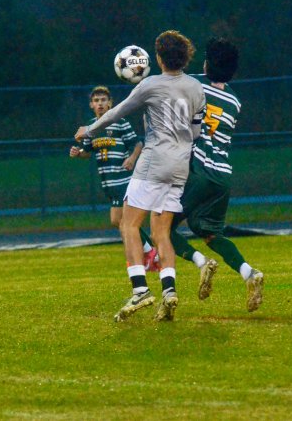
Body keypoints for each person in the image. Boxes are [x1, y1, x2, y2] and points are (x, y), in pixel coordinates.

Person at [75, 30, 206, 322]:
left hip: (153, 163)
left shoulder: (150, 85)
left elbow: (116, 112)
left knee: (128, 224)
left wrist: (90, 130)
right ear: (185, 56)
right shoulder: (197, 87)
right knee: (161, 231)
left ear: (158, 58)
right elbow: (196, 132)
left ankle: (140, 291)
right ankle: (169, 291)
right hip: (180, 166)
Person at [170, 38, 265, 311]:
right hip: (222, 174)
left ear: (207, 63)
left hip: (196, 169)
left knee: (158, 229)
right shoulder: (235, 101)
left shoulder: (191, 83)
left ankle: (202, 263)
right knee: (209, 232)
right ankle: (249, 272)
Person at [69, 85, 160, 271]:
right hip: (107, 182)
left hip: (122, 179)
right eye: (96, 101)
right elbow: (87, 152)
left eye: (103, 100)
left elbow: (137, 143)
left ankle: (146, 256)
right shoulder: (91, 127)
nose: (100, 104)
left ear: (110, 104)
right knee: (120, 222)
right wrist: (77, 153)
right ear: (91, 105)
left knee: (120, 221)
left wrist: (131, 159)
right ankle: (145, 255)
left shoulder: (119, 122)